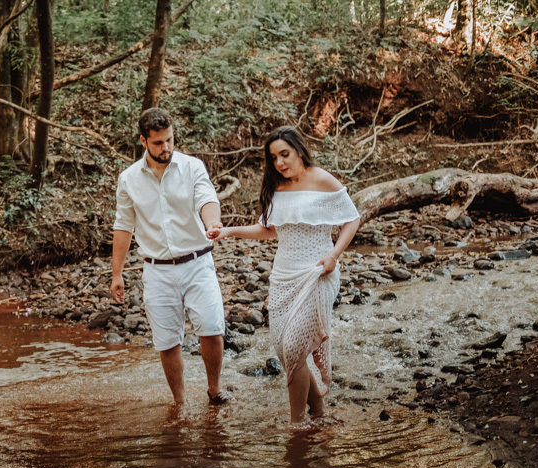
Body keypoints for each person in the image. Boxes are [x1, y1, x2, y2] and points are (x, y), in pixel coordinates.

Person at [211, 126, 360, 425]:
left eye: (284, 154)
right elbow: (268, 230)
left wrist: (333, 256)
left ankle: (297, 424)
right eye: (274, 157)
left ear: (299, 151)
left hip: (318, 273)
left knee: (294, 347)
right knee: (284, 350)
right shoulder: (277, 188)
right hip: (283, 277)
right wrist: (228, 231)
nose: (279, 162)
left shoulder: (322, 179)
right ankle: (318, 414)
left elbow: (352, 219)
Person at [111, 107, 229, 407]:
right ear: (143, 141)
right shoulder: (128, 179)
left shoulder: (192, 167)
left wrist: (212, 223)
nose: (166, 148)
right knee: (167, 342)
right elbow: (123, 226)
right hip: (157, 271)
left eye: (170, 140)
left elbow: (207, 199)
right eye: (159, 143)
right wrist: (116, 273)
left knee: (212, 328)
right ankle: (179, 402)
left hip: (198, 261)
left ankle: (214, 391)